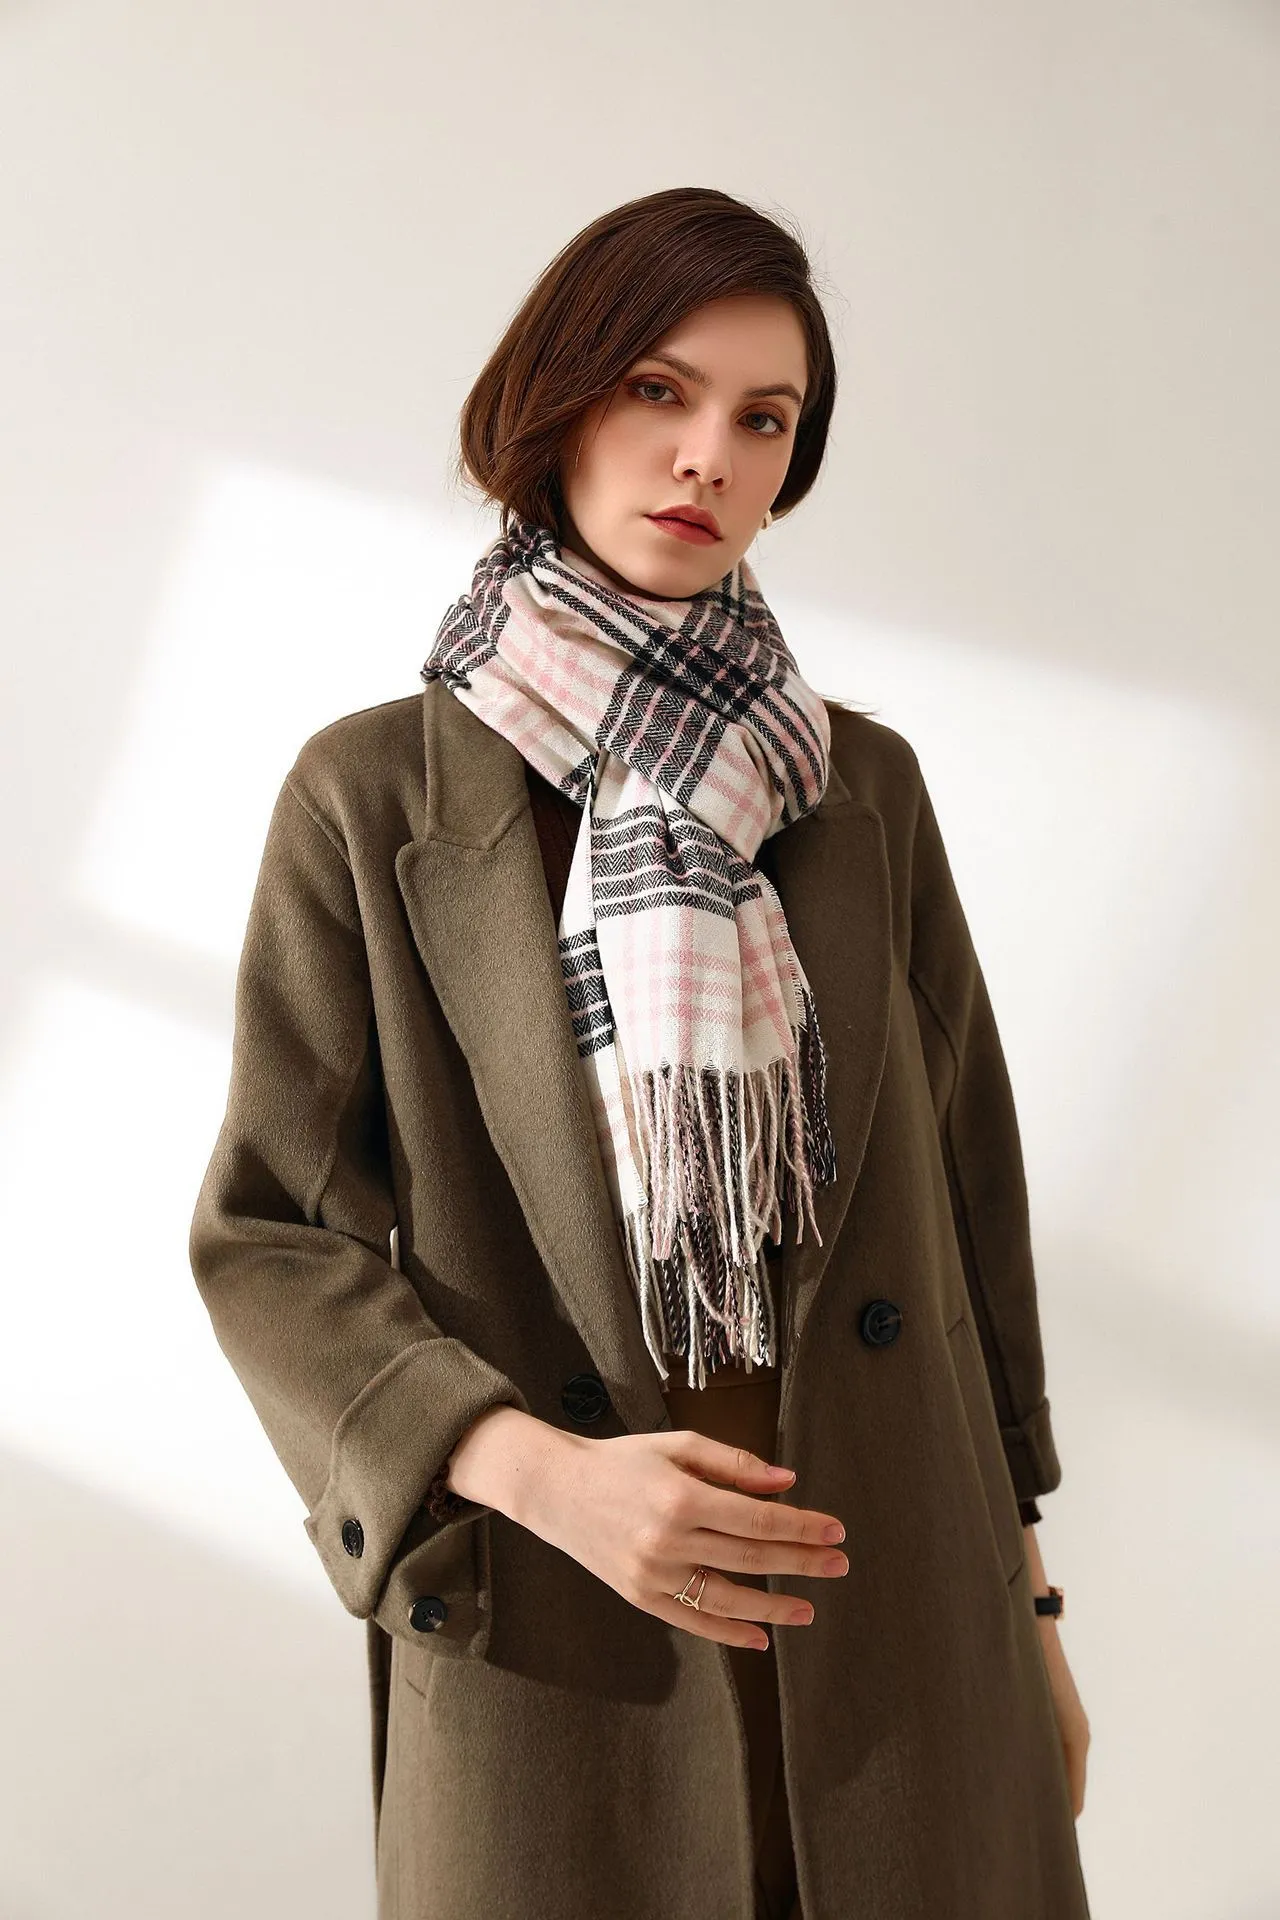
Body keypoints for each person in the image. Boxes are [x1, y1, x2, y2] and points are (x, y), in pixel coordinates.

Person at [189, 186, 1092, 1920]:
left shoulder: (860, 789)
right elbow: (269, 1235)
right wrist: (536, 1474)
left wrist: (1034, 1613)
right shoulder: (374, 800)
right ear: (556, 402)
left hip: (904, 1634)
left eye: (766, 420)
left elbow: (973, 1220)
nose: (708, 458)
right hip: (567, 1632)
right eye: (659, 392)